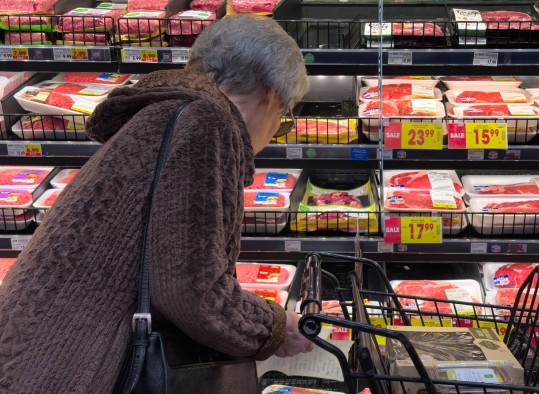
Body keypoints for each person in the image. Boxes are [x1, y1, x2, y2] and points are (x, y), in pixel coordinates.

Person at [0, 14, 312, 394]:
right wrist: (272, 328)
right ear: (271, 96)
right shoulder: (206, 123)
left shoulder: (168, 114)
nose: (276, 131)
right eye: (284, 120)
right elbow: (190, 290)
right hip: (71, 368)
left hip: (39, 351)